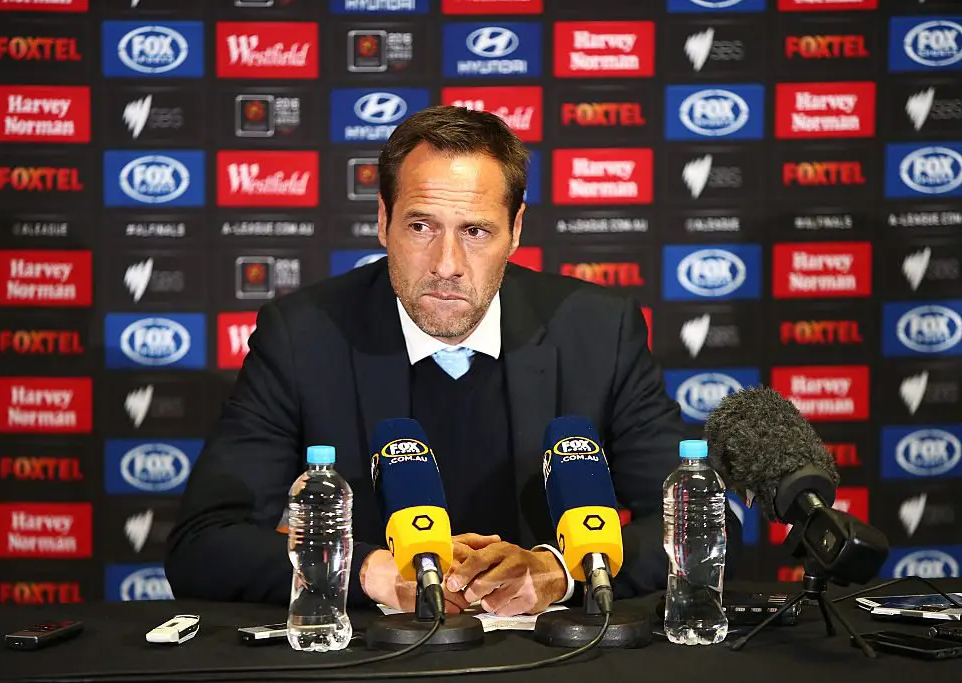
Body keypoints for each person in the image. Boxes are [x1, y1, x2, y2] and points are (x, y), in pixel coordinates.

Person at [165, 105, 741, 617]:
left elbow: (709, 527)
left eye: (476, 231)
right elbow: (203, 544)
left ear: (515, 230)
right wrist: (372, 573)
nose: (447, 264)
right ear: (383, 221)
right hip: (375, 657)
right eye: (421, 226)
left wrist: (560, 573)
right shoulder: (303, 337)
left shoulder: (597, 331)